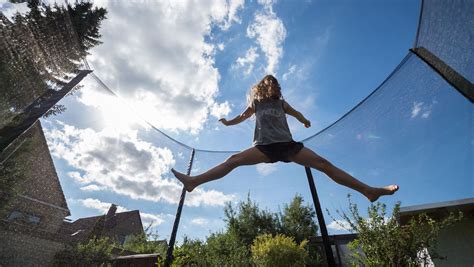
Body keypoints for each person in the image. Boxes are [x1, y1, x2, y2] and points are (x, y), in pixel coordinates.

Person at [172, 75, 398, 202]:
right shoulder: (256, 103)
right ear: (262, 88)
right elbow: (242, 116)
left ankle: (368, 190)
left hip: (289, 146)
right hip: (264, 147)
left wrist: (304, 120)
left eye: (276, 86)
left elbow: (296, 112)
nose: (273, 89)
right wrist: (228, 122)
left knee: (324, 164)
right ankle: (194, 182)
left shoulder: (281, 103)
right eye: (269, 86)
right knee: (233, 160)